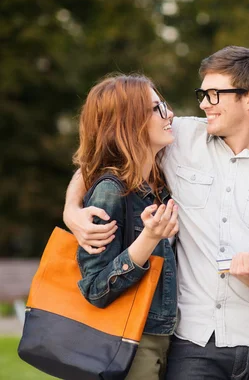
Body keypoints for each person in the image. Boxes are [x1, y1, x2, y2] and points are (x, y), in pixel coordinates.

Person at [63, 47, 249, 379]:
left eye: (213, 94)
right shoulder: (179, 136)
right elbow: (111, 150)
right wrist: (71, 208)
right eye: (203, 94)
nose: (203, 104)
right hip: (193, 342)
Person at [74, 74, 178, 379]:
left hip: (166, 338)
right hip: (131, 344)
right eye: (157, 109)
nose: (169, 114)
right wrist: (149, 238)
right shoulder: (110, 191)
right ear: (129, 123)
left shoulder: (157, 184)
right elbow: (95, 288)